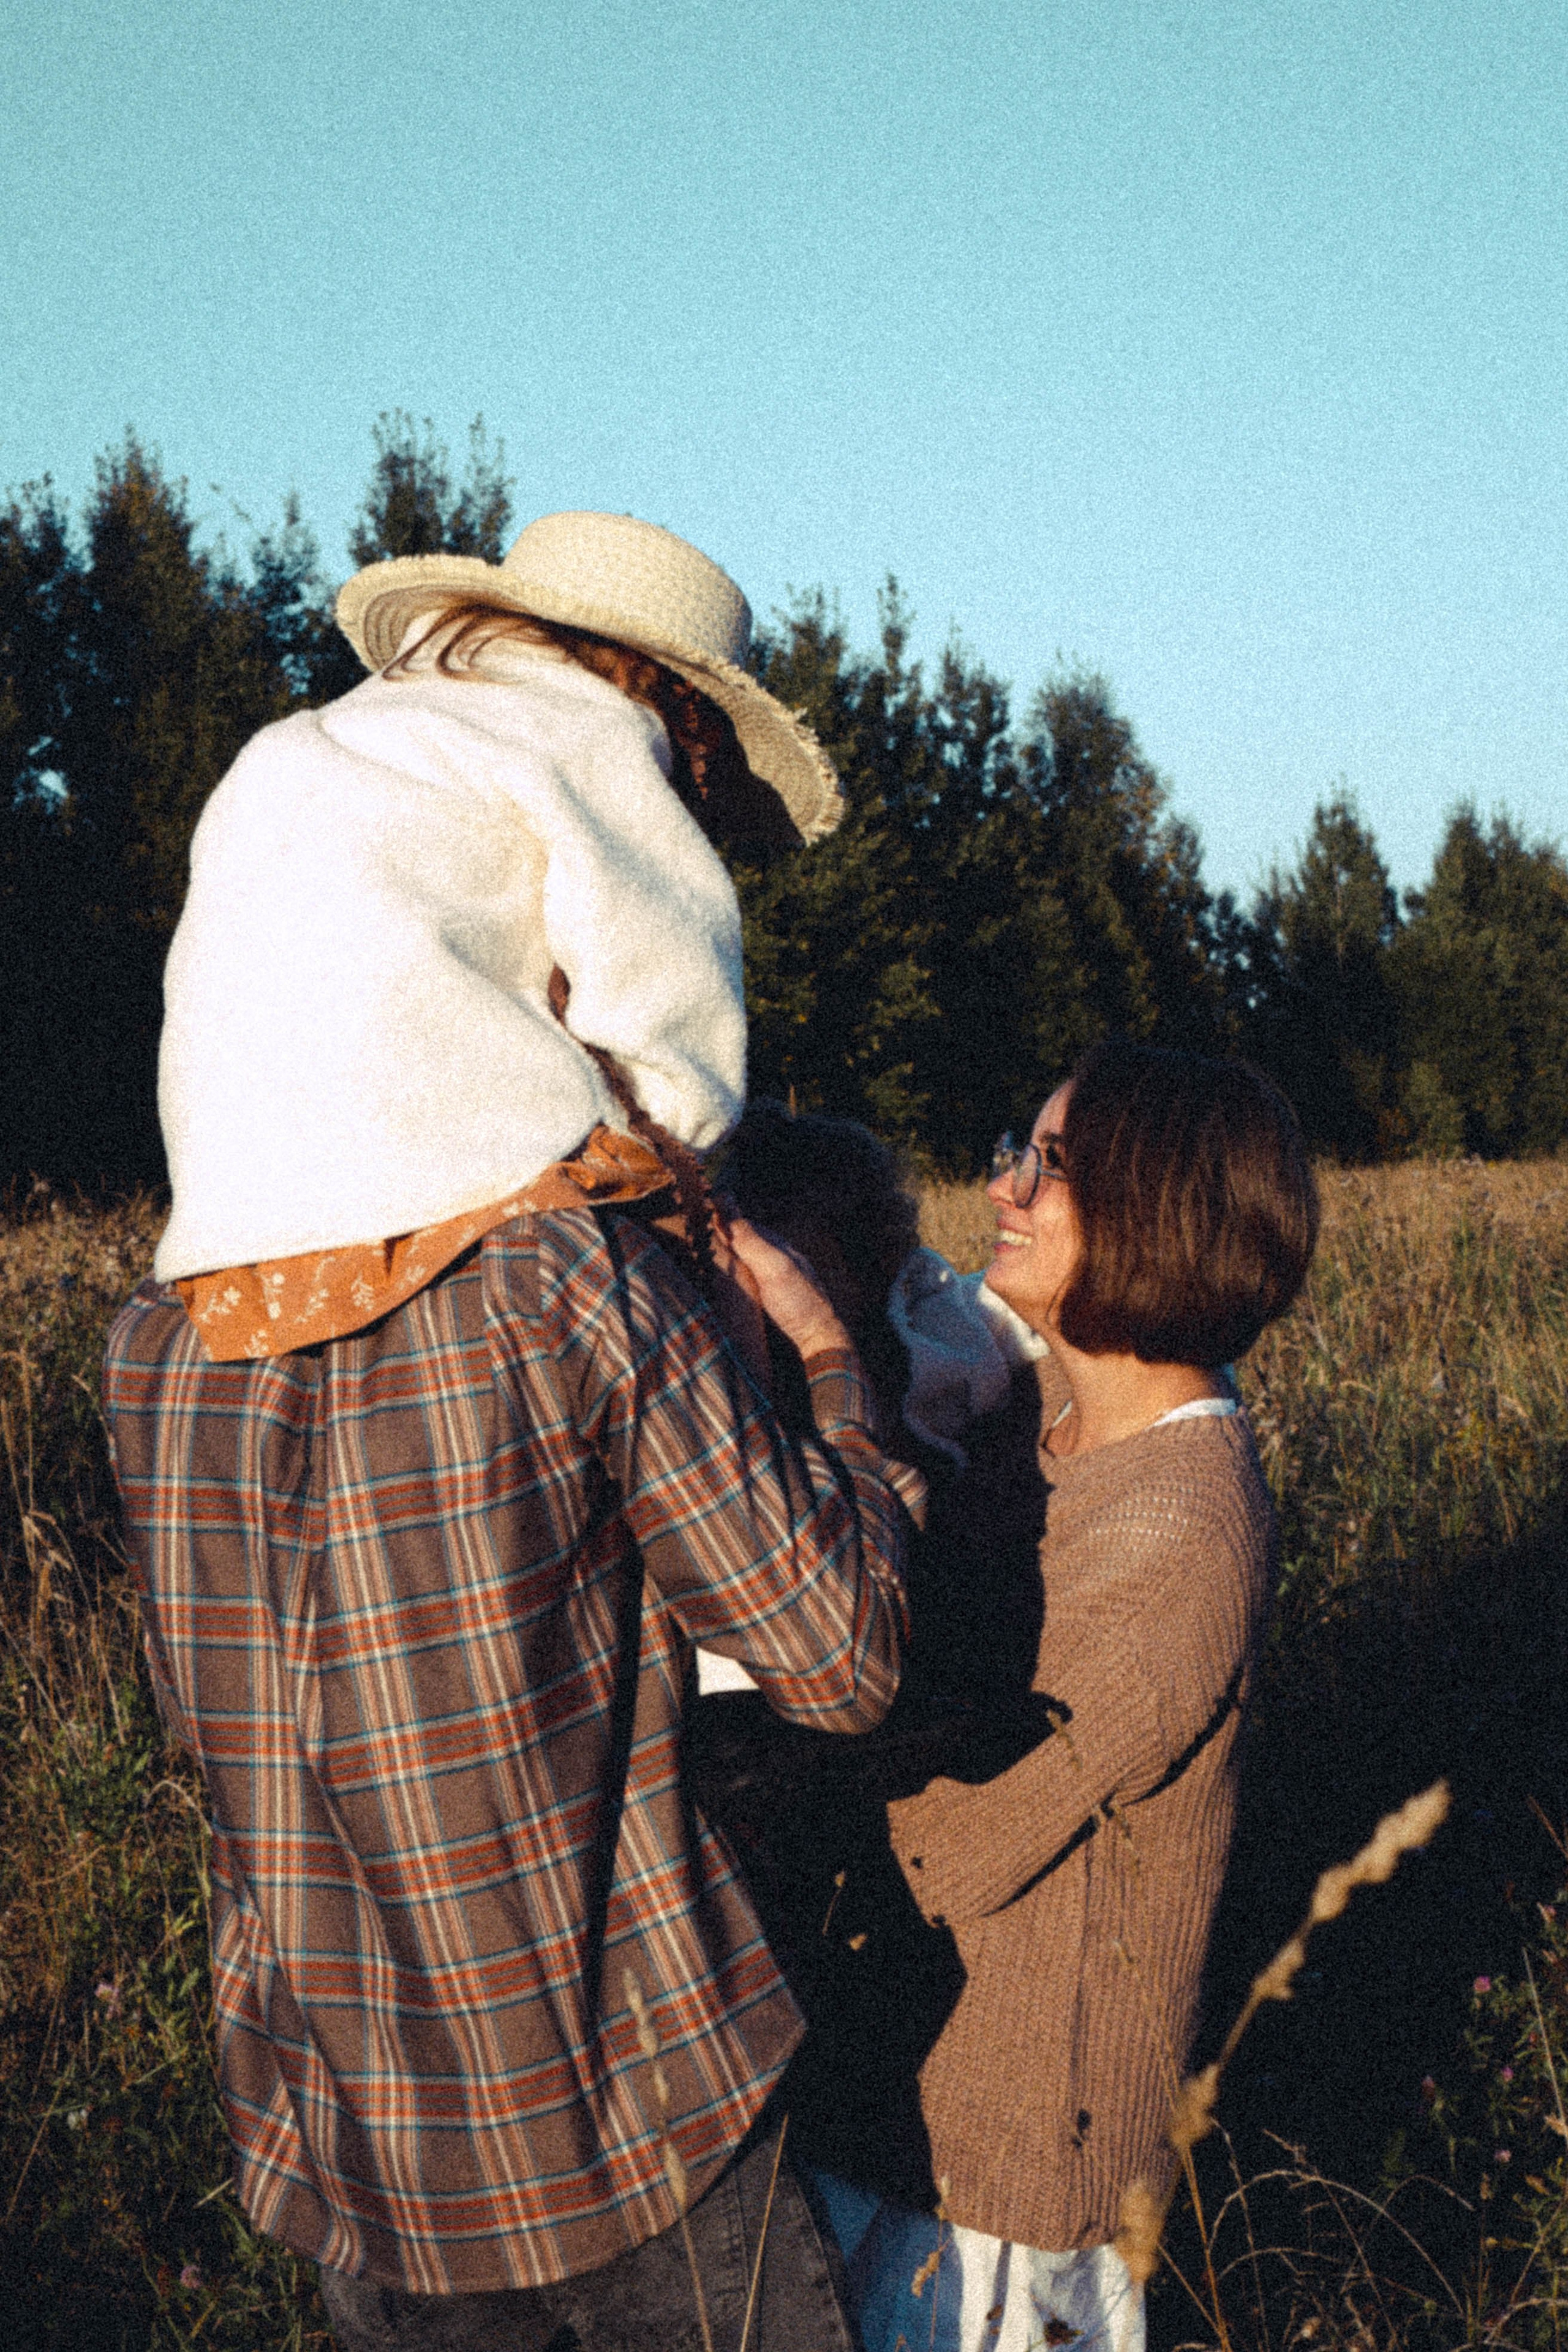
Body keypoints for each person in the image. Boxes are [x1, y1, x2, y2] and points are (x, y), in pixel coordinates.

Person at [101, 511, 922, 2352]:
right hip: (630, 2123)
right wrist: (843, 1389)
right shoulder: (565, 1287)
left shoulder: (152, 1349)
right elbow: (844, 1656)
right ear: (685, 741)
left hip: (349, 2136)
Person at [793, 1039, 1319, 2352]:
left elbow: (956, 1842)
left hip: (1006, 2192)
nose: (1004, 1189)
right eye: (1013, 1152)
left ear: (1161, 1210)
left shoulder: (1177, 1527)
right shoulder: (1040, 1427)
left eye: (1052, 1165)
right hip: (898, 2116)